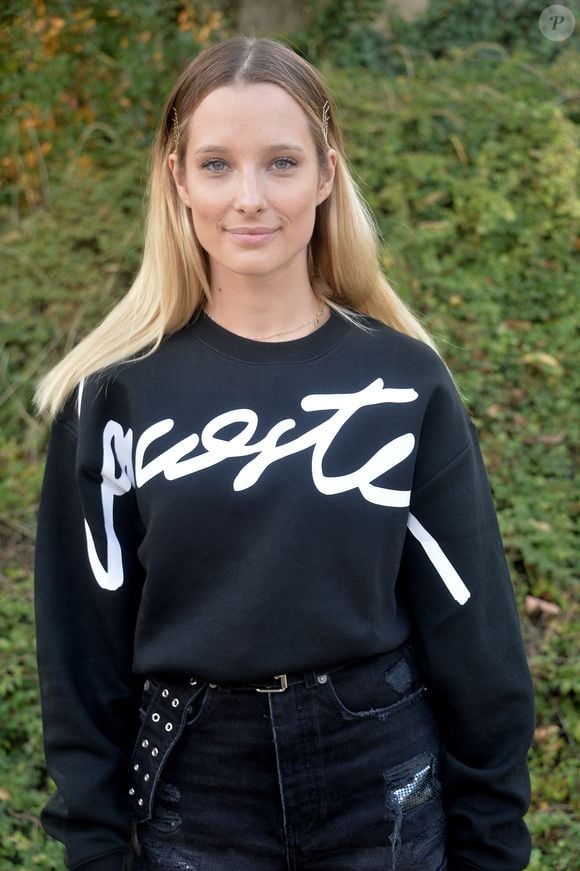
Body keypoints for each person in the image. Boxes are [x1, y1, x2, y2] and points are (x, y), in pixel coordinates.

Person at [34, 34, 535, 871]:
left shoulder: (404, 383)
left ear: (326, 175)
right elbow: (81, 651)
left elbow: (473, 630)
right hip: (197, 786)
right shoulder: (111, 397)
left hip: (381, 779)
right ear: (177, 179)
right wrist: (92, 843)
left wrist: (492, 839)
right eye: (219, 164)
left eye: (282, 162)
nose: (251, 198)